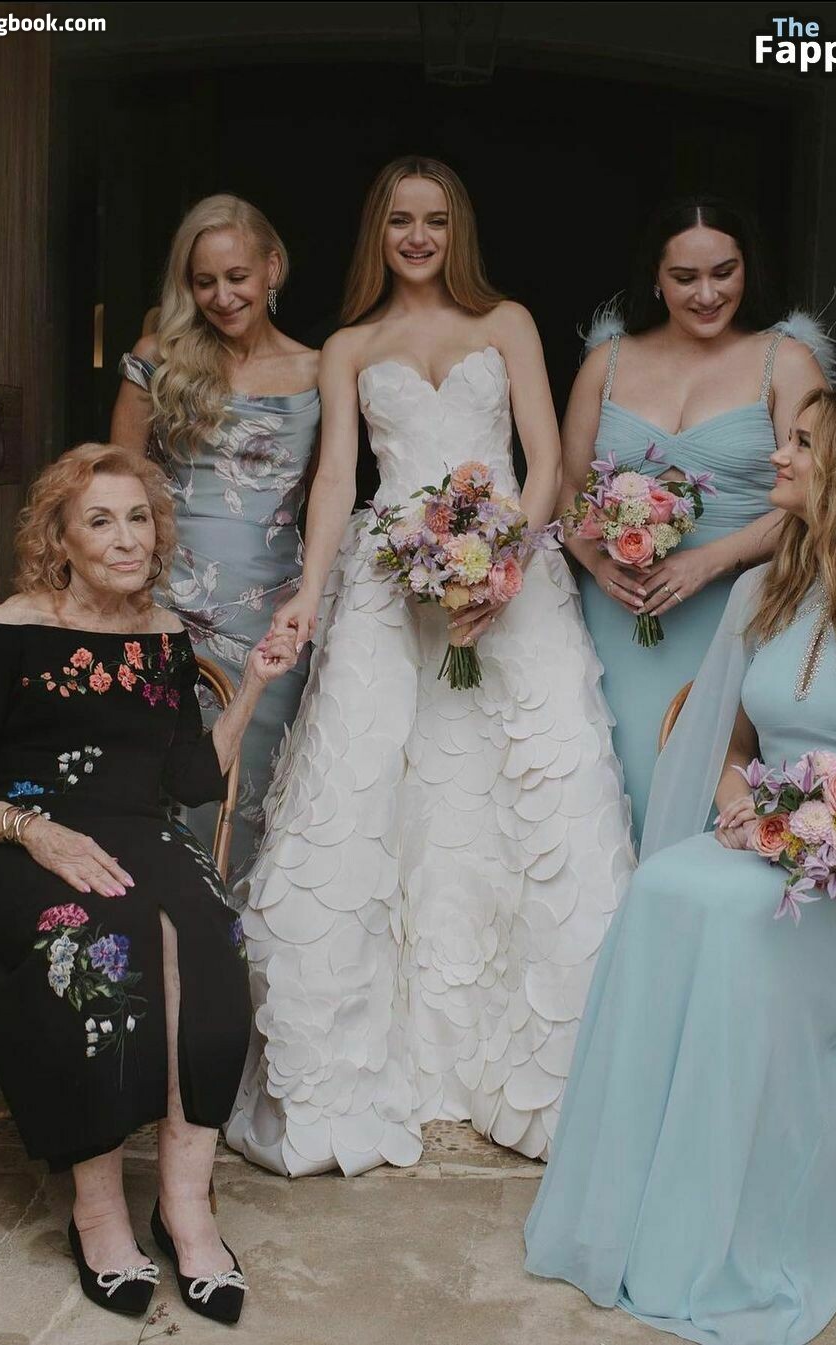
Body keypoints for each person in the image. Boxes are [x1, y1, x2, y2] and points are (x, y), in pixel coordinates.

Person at [524, 389, 836, 1345]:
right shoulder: (762, 592)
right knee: (663, 885)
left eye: (801, 443)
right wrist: (742, 803)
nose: (777, 456)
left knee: (736, 920)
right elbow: (731, 747)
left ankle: (727, 1232)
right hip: (780, 848)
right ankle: (627, 1215)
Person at [223, 156, 635, 1178]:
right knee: (367, 799)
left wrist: (502, 564)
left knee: (530, 797)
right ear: (379, 230)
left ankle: (530, 1073)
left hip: (514, 575)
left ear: (459, 232)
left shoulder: (509, 323)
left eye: (436, 221)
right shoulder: (351, 346)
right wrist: (309, 592)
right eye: (401, 220)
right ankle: (363, 1068)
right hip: (387, 582)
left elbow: (545, 459)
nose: (418, 236)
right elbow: (335, 479)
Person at [0, 444, 298, 1323]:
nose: (127, 538)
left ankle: (185, 1205)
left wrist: (251, 686)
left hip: (134, 829)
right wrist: (39, 833)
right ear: (60, 538)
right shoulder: (10, 628)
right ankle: (96, 1210)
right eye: (100, 520)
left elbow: (189, 778)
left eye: (138, 517)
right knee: (94, 937)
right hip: (14, 838)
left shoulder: (165, 635)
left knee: (210, 933)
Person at [562, 197, 826, 840]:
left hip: (740, 606)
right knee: (607, 780)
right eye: (685, 278)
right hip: (617, 609)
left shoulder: (785, 361)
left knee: (709, 782)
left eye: (724, 273)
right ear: (656, 277)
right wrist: (597, 564)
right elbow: (566, 491)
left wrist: (715, 558)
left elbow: (822, 494)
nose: (708, 295)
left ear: (747, 269)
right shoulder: (607, 362)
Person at [111, 193, 319, 891]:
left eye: (237, 277)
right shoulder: (158, 357)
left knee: (255, 785)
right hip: (165, 600)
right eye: (205, 282)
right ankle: (156, 925)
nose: (223, 297)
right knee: (158, 776)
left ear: (273, 268)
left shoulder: (320, 370)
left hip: (272, 608)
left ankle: (236, 939)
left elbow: (325, 493)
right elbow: (120, 485)